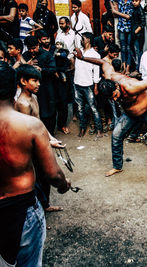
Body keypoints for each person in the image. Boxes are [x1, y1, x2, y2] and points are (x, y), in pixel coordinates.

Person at [0, 62, 70, 267]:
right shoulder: (29, 125)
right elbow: (53, 174)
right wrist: (64, 184)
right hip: (22, 208)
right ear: (16, 87)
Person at [74, 48, 147, 177]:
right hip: (131, 114)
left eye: (115, 95)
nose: (115, 99)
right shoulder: (109, 77)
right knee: (116, 135)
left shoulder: (130, 86)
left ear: (116, 86)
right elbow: (103, 62)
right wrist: (82, 58)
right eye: (112, 98)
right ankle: (117, 166)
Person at [14, 64, 66, 212]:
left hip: (38, 143)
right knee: (37, 180)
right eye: (34, 81)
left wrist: (51, 138)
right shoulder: (23, 103)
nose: (38, 84)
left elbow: (39, 123)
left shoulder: (34, 97)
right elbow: (28, 132)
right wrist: (47, 142)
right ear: (23, 81)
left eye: (38, 80)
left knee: (44, 179)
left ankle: (46, 206)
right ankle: (39, 210)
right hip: (30, 148)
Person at [22, 36, 57, 136]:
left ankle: (50, 134)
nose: (32, 51)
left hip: (46, 88)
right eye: (29, 48)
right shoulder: (25, 56)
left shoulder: (46, 55)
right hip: (31, 90)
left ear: (38, 45)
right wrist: (27, 65)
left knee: (48, 111)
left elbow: (53, 69)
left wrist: (41, 69)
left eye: (34, 48)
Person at [73, 32, 102, 138]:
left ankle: (99, 129)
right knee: (80, 108)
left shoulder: (95, 55)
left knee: (93, 108)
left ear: (88, 40)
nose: (81, 40)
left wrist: (95, 86)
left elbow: (96, 73)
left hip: (88, 85)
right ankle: (82, 128)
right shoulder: (78, 52)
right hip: (77, 83)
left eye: (83, 38)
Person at [111, 0, 133, 74]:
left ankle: (128, 68)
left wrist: (115, 12)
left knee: (128, 48)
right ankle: (123, 67)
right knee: (123, 48)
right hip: (121, 28)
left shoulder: (131, 2)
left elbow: (128, 16)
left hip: (130, 28)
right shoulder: (120, 1)